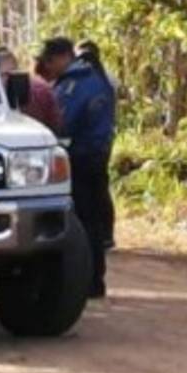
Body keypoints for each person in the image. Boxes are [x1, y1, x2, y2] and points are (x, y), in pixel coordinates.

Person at [39, 37, 116, 298]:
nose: (50, 70)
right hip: (96, 154)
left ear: (61, 58)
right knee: (91, 220)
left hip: (82, 158)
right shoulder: (94, 78)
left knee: (84, 223)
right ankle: (94, 280)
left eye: (50, 63)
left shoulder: (75, 84)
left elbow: (63, 122)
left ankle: (90, 281)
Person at [77, 39, 117, 249]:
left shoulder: (86, 83)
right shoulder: (108, 80)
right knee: (100, 187)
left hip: (90, 143)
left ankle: (97, 233)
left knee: (91, 189)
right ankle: (105, 234)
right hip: (103, 142)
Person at [0, 46, 62, 133]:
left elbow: (56, 124)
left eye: (12, 73)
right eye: (4, 75)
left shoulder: (40, 90)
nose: (8, 79)